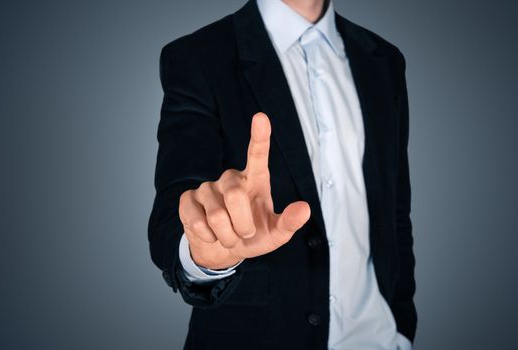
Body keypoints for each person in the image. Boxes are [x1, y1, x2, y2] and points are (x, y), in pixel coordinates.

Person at [147, 0, 417, 349]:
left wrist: (401, 328)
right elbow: (175, 209)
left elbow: (395, 212)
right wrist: (205, 256)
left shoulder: (384, 60)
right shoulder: (198, 55)